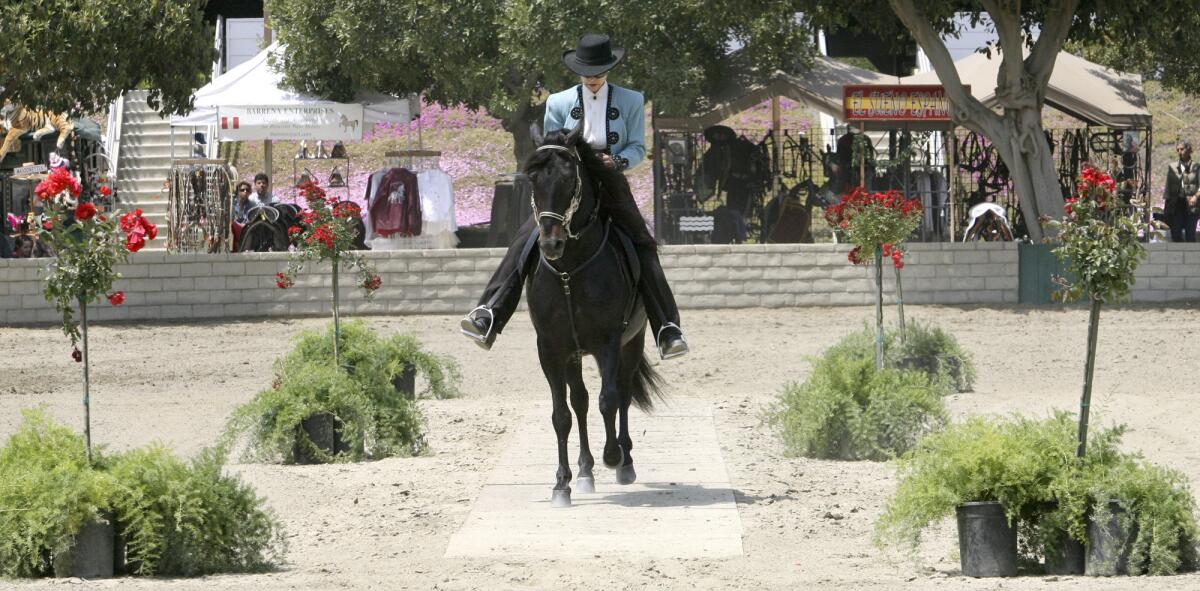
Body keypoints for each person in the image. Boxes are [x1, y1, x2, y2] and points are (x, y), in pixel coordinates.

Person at [460, 33, 688, 360]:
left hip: (608, 182)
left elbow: (638, 146)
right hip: (567, 181)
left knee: (642, 240)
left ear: (609, 68)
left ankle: (667, 327)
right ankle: (489, 313)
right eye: (587, 71)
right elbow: (550, 146)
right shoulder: (559, 102)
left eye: (599, 71)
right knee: (524, 239)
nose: (593, 78)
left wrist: (618, 160)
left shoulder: (631, 100)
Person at [1164, 141, 1200, 242]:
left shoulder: (1197, 167)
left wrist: (1195, 197)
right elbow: (1168, 186)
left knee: (1190, 234)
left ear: (1189, 150)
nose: (1180, 152)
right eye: (1178, 150)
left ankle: (1191, 257)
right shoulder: (1172, 167)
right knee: (1175, 233)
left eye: (1182, 149)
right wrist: (1167, 202)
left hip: (1192, 204)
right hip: (1176, 203)